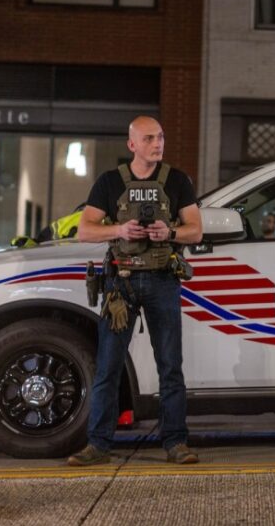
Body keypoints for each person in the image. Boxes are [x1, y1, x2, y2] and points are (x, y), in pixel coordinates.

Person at [68, 116, 203, 466]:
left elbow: (196, 231)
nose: (157, 144)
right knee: (108, 367)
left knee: (170, 366)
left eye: (160, 137)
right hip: (120, 283)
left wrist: (169, 233)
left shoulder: (177, 180)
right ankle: (97, 444)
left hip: (162, 280)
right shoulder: (110, 182)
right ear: (132, 145)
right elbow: (84, 230)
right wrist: (120, 229)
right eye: (148, 139)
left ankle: (176, 443)